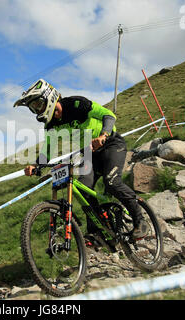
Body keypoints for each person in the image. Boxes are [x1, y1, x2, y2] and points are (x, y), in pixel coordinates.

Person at [13, 79, 150, 240]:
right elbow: (47, 151)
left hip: (111, 144)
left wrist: (103, 135)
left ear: (49, 98)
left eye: (38, 104)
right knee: (84, 190)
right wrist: (36, 166)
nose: (37, 110)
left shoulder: (76, 104)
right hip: (89, 152)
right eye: (33, 108)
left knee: (111, 182)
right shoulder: (51, 125)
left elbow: (108, 115)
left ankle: (140, 221)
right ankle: (97, 231)